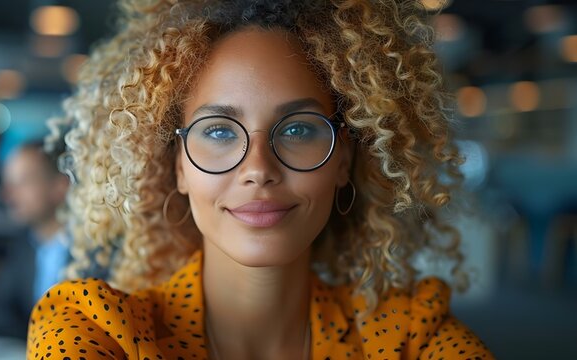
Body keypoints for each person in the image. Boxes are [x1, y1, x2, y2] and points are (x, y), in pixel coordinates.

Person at [27, 0, 495, 359]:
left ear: (343, 161)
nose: (257, 169)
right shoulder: (98, 330)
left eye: (296, 129)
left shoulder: (411, 337)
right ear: (178, 167)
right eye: (217, 132)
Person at [0, 140, 71, 339]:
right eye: (8, 183)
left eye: (22, 182)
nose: (5, 195)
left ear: (60, 186)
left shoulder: (96, 249)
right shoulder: (23, 244)